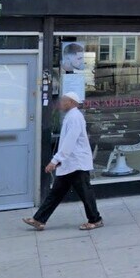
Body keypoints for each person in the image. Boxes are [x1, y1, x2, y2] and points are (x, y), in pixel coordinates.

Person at [23, 92, 103, 231]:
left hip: (77, 163)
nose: (60, 103)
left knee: (85, 193)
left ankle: (95, 220)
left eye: (63, 101)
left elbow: (69, 142)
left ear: (71, 102)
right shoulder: (71, 116)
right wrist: (60, 160)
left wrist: (55, 160)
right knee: (56, 193)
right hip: (70, 163)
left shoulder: (75, 117)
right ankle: (39, 220)